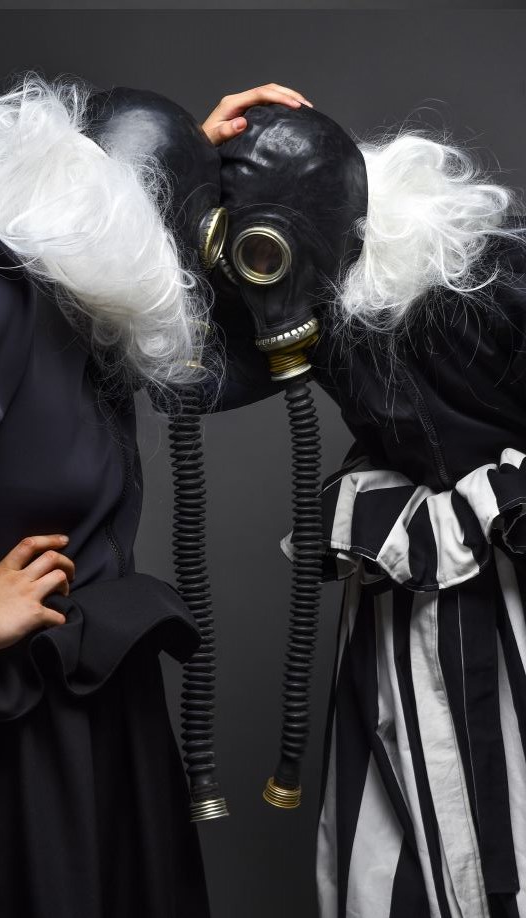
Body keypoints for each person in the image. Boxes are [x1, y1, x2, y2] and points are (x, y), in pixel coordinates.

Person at [0, 76, 311, 918]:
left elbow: (213, 356)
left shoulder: (70, 295)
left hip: (87, 698)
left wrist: (178, 160)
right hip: (0, 723)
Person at [216, 101, 526, 918]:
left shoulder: (491, 275)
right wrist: (185, 169)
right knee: (398, 850)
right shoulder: (311, 291)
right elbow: (187, 373)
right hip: (405, 605)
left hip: (508, 592)